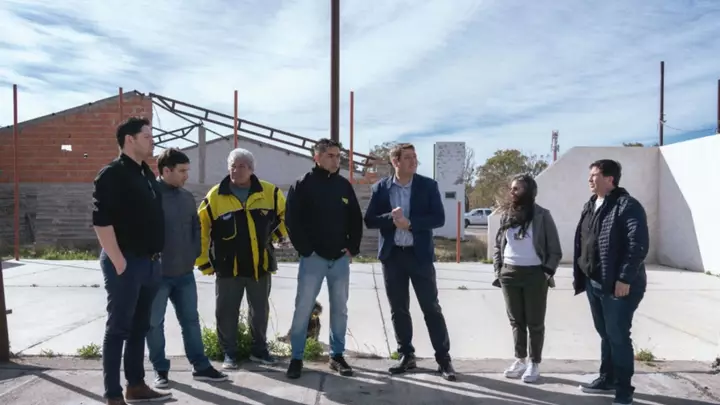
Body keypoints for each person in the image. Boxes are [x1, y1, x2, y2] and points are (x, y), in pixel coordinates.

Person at [92, 117, 172, 404]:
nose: (152, 141)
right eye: (147, 136)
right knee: (118, 329)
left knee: (140, 328)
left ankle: (135, 385)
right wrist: (119, 262)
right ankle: (113, 394)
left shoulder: (146, 174)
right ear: (130, 139)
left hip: (150, 263)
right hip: (126, 263)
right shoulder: (112, 174)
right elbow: (101, 221)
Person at [363, 142, 456, 381]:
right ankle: (406, 354)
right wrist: (391, 219)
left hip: (419, 256)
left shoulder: (428, 185)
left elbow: (438, 218)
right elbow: (370, 220)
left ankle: (443, 359)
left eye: (415, 157)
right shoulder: (380, 188)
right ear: (395, 161)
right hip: (393, 257)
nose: (413, 161)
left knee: (431, 308)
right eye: (407, 157)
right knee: (399, 309)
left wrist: (410, 223)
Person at [195, 148, 288, 370]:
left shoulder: (270, 192)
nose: (236, 171)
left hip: (260, 265)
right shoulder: (215, 196)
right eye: (233, 166)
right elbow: (201, 230)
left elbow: (286, 217)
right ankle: (229, 353)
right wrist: (203, 261)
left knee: (260, 312)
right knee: (226, 311)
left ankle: (259, 350)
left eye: (242, 166)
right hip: (228, 266)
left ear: (251, 169)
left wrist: (277, 236)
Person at [145, 148, 228, 388]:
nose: (186, 176)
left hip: (184, 274)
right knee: (154, 324)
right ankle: (160, 370)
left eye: (187, 170)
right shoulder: (149, 197)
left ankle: (200, 366)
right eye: (182, 171)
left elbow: (196, 227)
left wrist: (193, 255)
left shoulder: (186, 197)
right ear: (166, 170)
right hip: (157, 275)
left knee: (191, 321)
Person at [284, 138, 364, 379]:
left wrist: (352, 248)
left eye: (338, 156)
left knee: (340, 309)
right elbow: (292, 220)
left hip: (339, 259)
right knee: (303, 308)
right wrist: (306, 250)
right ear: (316, 157)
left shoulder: (343, 186)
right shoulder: (302, 184)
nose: (336, 160)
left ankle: (336, 356)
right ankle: (296, 358)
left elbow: (355, 218)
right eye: (330, 155)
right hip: (313, 259)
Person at [573, 159, 648, 405]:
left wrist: (625, 278)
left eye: (594, 175)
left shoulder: (627, 205)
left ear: (610, 179)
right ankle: (607, 379)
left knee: (618, 335)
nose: (589, 179)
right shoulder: (590, 205)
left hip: (618, 285)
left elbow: (638, 244)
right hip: (594, 282)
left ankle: (624, 389)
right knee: (605, 333)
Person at [491, 174, 562, 383]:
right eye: (512, 188)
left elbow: (555, 249)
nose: (512, 192)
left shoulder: (542, 215)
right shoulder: (506, 215)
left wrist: (546, 272)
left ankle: (534, 363)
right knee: (516, 321)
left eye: (517, 189)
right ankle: (520, 360)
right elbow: (498, 245)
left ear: (529, 191)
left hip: (535, 275)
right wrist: (499, 271)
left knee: (535, 322)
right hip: (509, 274)